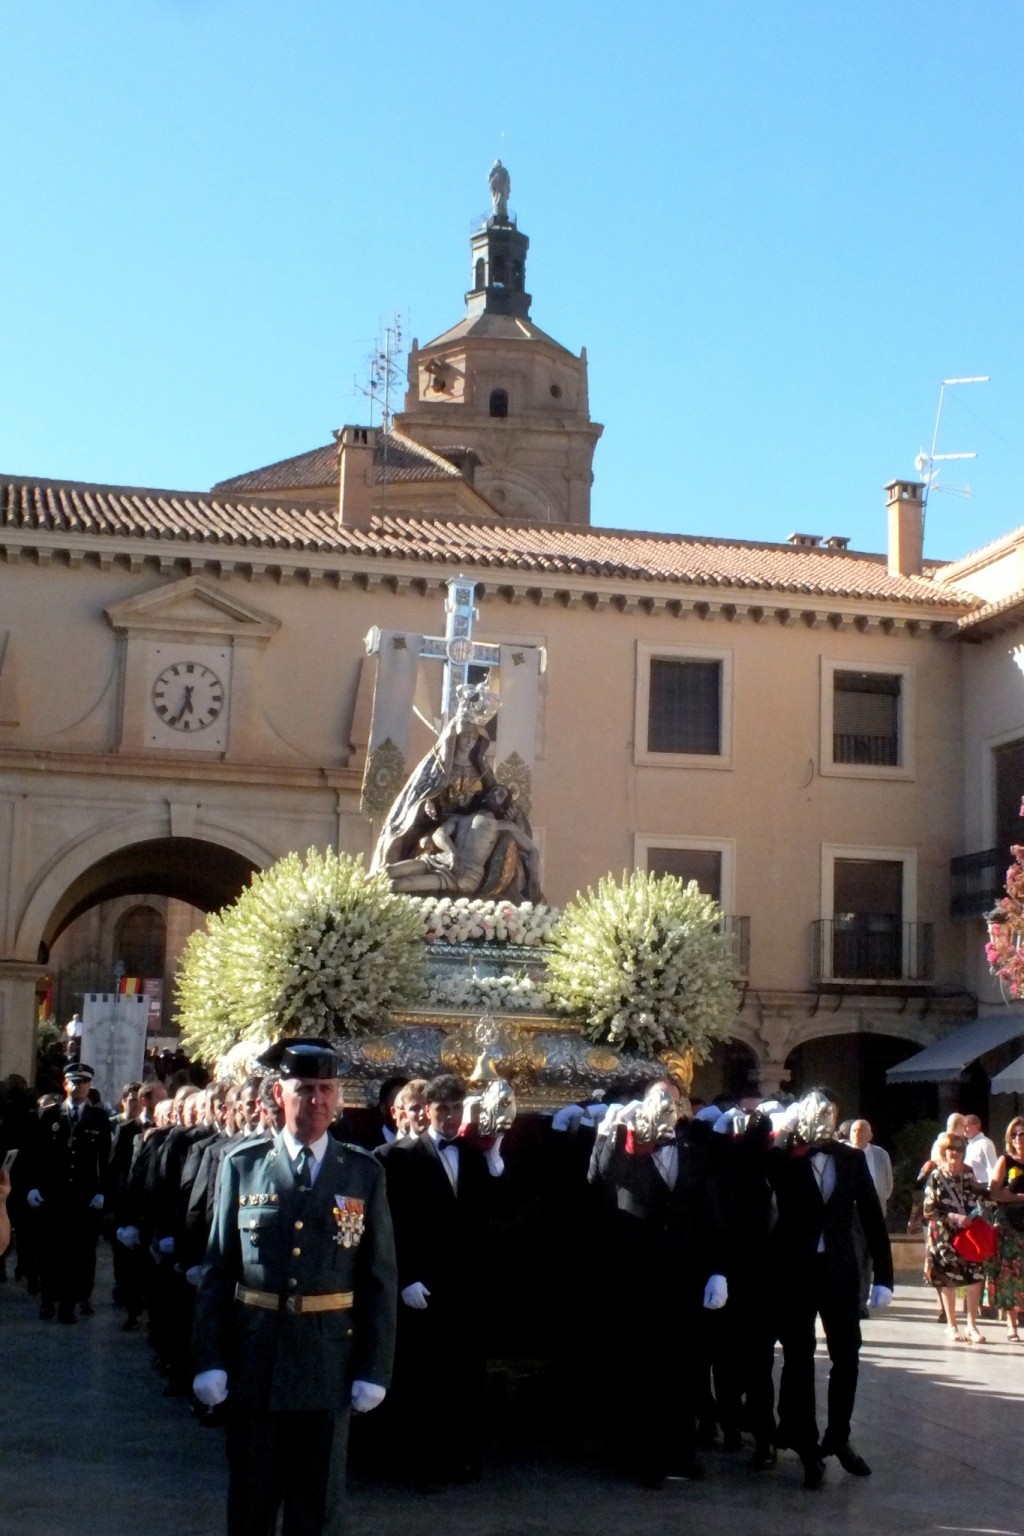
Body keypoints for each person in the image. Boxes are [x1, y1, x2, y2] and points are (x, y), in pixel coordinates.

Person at [192, 1038, 396, 1536]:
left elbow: (379, 1280)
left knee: (318, 1509)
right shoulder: (244, 1165)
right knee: (251, 1502)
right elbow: (220, 1270)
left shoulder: (363, 1172)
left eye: (327, 1088)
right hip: (255, 1358)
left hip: (327, 1364)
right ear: (279, 1096)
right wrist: (209, 1358)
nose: (318, 1100)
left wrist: (374, 1369)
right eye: (305, 1088)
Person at [588, 1078, 728, 1487]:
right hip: (634, 1276)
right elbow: (598, 1180)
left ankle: (681, 1452)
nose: (664, 1106)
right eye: (656, 1099)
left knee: (683, 1367)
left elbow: (711, 1216)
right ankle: (640, 1453)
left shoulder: (695, 1153)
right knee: (639, 1367)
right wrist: (610, 1136)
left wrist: (718, 1270)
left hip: (683, 1278)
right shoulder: (625, 1146)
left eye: (672, 1100)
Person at [376, 1072, 507, 1489]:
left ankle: (461, 1457)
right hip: (424, 1287)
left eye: (456, 1108)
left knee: (465, 1377)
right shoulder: (396, 1156)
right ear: (427, 1110)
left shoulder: (473, 1155)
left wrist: (497, 1165)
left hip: (466, 1286)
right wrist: (407, 1277)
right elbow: (391, 1223)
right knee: (423, 1380)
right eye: (442, 1108)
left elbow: (496, 1215)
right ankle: (421, 1463)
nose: (449, 1116)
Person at [769, 1089, 893, 1490]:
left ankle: (838, 1437)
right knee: (799, 1356)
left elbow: (873, 1219)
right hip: (795, 1270)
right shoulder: (784, 1158)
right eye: (816, 1114)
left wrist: (885, 1278)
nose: (823, 1120)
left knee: (847, 1355)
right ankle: (806, 1446)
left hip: (840, 1270)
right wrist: (786, 1134)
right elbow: (754, 1167)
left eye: (829, 1114)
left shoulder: (852, 1159)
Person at [24, 1061, 111, 1323]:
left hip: (82, 1198)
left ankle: (68, 1305)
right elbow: (34, 1156)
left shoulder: (99, 1118)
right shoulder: (49, 1116)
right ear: (65, 1084)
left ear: (89, 1085)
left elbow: (105, 1159)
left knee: (76, 1254)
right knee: (50, 1252)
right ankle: (48, 1299)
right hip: (54, 1195)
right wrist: (33, 1187)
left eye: (84, 1082)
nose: (79, 1086)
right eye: (74, 1082)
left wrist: (102, 1191)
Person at [386, 785, 541, 900]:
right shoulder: (460, 818)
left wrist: (533, 881)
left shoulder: (503, 825)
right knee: (388, 871)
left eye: (501, 794)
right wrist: (452, 853)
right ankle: (362, 899)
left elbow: (533, 850)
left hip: (464, 873)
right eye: (494, 790)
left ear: (504, 807)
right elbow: (439, 835)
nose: (495, 793)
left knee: (398, 885)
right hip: (443, 860)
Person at [923, 1131, 989, 1344]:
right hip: (944, 1233)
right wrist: (953, 1216)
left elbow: (980, 1197)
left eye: (960, 1149)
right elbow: (928, 1210)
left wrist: (975, 1213)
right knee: (947, 1277)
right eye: (951, 1149)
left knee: (976, 1275)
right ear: (944, 1151)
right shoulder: (936, 1175)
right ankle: (952, 1325)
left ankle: (972, 1325)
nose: (955, 1153)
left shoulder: (968, 1173)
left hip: (968, 1233)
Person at [985, 1117, 1024, 1341]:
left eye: (1023, 1134)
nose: (1020, 1138)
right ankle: (1012, 1325)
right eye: (1016, 1134)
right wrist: (1018, 1197)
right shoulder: (1006, 1161)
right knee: (1010, 1272)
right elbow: (994, 1192)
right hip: (1010, 1223)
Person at [849, 1120, 893, 1214]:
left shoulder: (881, 1154)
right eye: (854, 1130)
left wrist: (879, 1199)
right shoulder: (842, 1154)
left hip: (874, 1209)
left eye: (861, 1130)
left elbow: (888, 1183)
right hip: (850, 1211)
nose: (857, 1134)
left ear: (870, 1136)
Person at [964, 1114, 999, 1189]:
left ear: (977, 1126)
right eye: (963, 1126)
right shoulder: (970, 1145)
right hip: (972, 1188)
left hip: (984, 1188)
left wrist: (991, 1189)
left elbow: (992, 1167)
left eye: (967, 1126)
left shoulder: (985, 1143)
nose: (964, 1129)